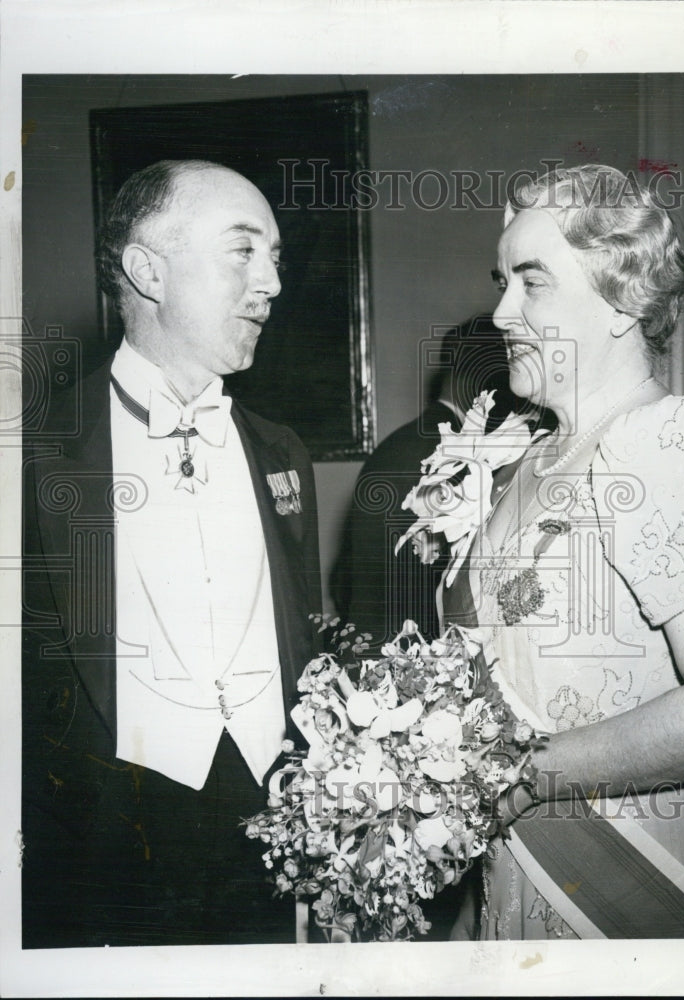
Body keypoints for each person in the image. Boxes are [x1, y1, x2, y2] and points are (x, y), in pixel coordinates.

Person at [22, 160, 322, 947]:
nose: (272, 285)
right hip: (101, 850)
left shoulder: (281, 452)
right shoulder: (33, 455)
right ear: (147, 269)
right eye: (243, 251)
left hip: (267, 829)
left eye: (276, 258)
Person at [441, 164, 684, 939]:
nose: (501, 312)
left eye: (531, 282)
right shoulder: (529, 460)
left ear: (620, 294)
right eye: (501, 280)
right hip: (517, 886)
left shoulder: (663, 441)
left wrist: (528, 775)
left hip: (640, 893)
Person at [332, 317, 518, 648]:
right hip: (416, 665)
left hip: (365, 651)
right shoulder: (461, 464)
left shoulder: (392, 445)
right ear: (491, 384)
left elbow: (341, 579)